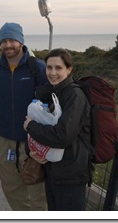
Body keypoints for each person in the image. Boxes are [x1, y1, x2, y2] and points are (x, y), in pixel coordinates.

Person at [0, 22, 48, 211]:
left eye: (12, 40)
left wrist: (43, 137)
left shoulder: (36, 67)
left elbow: (50, 103)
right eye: (3, 41)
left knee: (38, 190)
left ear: (21, 41)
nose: (8, 45)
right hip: (4, 140)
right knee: (11, 189)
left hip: (33, 141)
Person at [23, 48, 92, 211]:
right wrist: (32, 151)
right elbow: (45, 126)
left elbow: (62, 136)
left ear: (69, 69)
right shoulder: (53, 93)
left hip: (71, 176)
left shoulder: (75, 96)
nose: (53, 72)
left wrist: (31, 126)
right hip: (53, 172)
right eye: (49, 67)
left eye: (58, 68)